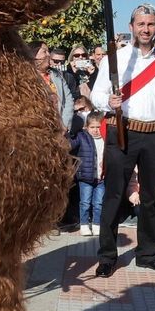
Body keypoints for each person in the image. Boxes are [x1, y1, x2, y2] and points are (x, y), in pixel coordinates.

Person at [91, 4, 155, 276]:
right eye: (141, 24)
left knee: (149, 199)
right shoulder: (115, 58)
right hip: (122, 132)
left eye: (151, 24)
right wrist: (108, 101)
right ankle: (107, 256)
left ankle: (147, 254)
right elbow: (97, 95)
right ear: (131, 26)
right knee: (114, 196)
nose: (146, 29)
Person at [68, 97, 103, 235]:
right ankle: (84, 224)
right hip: (85, 177)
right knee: (85, 202)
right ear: (86, 127)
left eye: (98, 127)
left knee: (99, 203)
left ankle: (96, 224)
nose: (95, 130)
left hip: (101, 177)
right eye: (92, 127)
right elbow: (70, 145)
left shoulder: (106, 139)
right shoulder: (82, 137)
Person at [30, 40, 75, 129]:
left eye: (48, 51)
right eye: (44, 51)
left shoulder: (57, 75)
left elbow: (68, 100)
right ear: (33, 54)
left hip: (60, 126)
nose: (48, 54)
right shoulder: (27, 77)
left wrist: (64, 125)